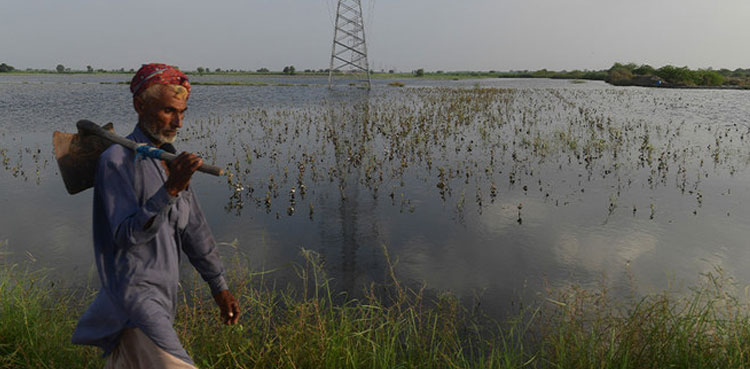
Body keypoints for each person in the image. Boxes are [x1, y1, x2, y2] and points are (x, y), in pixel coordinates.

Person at [72, 63, 240, 368]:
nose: (178, 122)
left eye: (182, 112)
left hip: (163, 298)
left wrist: (220, 287)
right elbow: (126, 236)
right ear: (140, 105)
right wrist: (170, 190)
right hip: (134, 300)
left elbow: (195, 232)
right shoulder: (116, 161)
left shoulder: (170, 161)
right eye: (168, 111)